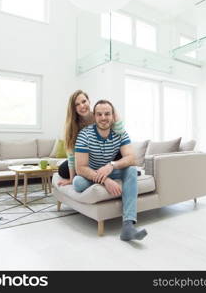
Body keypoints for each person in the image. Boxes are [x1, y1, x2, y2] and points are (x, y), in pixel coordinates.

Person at [73, 100, 147, 241]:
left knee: (131, 169)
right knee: (78, 183)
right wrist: (105, 180)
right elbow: (80, 168)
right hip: (91, 172)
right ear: (94, 116)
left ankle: (128, 226)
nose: (103, 118)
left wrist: (111, 166)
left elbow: (131, 158)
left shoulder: (120, 133)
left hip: (110, 169)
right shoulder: (84, 134)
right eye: (99, 114)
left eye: (107, 114)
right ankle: (116, 180)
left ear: (113, 116)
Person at [57, 90, 124, 186]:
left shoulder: (100, 115)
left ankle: (104, 173)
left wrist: (113, 111)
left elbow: (120, 132)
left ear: (89, 101)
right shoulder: (73, 126)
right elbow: (72, 155)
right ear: (73, 109)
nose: (82, 106)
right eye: (77, 104)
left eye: (84, 101)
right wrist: (71, 179)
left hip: (107, 154)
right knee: (63, 170)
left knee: (121, 153)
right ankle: (96, 174)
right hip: (86, 159)